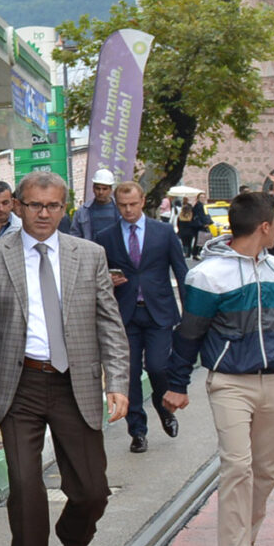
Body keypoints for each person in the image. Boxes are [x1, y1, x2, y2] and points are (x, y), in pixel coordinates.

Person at [0, 169, 129, 546]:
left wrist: (117, 382)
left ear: (64, 208)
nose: (43, 213)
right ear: (17, 206)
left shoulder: (89, 254)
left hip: (75, 383)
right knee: (25, 490)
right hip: (21, 386)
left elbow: (108, 323)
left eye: (53, 205)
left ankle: (74, 539)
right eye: (34, 205)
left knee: (92, 489)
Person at [159, 189, 274, 546]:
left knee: (266, 472)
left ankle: (245, 545)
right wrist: (176, 384)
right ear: (265, 227)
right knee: (238, 466)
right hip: (230, 382)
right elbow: (189, 333)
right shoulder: (207, 275)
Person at [98, 179, 186, 454]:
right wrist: (108, 282)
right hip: (124, 314)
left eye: (133, 204)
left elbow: (181, 271)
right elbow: (98, 278)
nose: (128, 210)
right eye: (122, 206)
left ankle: (164, 409)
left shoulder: (163, 232)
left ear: (143, 201)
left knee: (159, 367)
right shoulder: (106, 237)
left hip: (159, 311)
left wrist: (191, 312)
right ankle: (137, 431)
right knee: (130, 374)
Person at [71, 172, 119, 243]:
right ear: (93, 188)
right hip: (91, 251)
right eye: (98, 188)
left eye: (104, 189)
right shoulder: (82, 211)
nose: (101, 192)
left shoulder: (120, 209)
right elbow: (74, 237)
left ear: (111, 189)